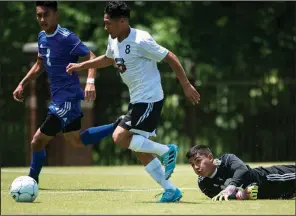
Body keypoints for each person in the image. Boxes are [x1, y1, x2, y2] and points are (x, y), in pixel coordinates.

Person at [66, 1, 200, 202]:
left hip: (149, 100)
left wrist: (186, 85)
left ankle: (166, 150)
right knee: (139, 149)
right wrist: (81, 66)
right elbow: (107, 59)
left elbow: (170, 57)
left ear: (122, 21)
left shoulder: (141, 40)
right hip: (137, 100)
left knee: (119, 137)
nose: (105, 27)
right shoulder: (114, 38)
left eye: (108, 23)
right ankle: (171, 190)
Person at [12, 1, 121, 185]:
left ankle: (31, 182)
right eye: (38, 15)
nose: (42, 19)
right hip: (60, 98)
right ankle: (116, 125)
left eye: (46, 14)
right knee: (76, 140)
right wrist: (22, 83)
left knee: (37, 142)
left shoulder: (66, 37)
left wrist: (90, 82)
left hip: (66, 99)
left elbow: (91, 56)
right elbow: (40, 64)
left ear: (56, 15)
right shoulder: (42, 37)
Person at [186, 144, 296, 201]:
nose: (196, 167)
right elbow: (221, 197)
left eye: (198, 161)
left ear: (210, 158)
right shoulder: (203, 183)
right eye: (192, 165)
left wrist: (231, 187)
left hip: (271, 178)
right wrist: (242, 195)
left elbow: (243, 169)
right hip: (274, 195)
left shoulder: (227, 160)